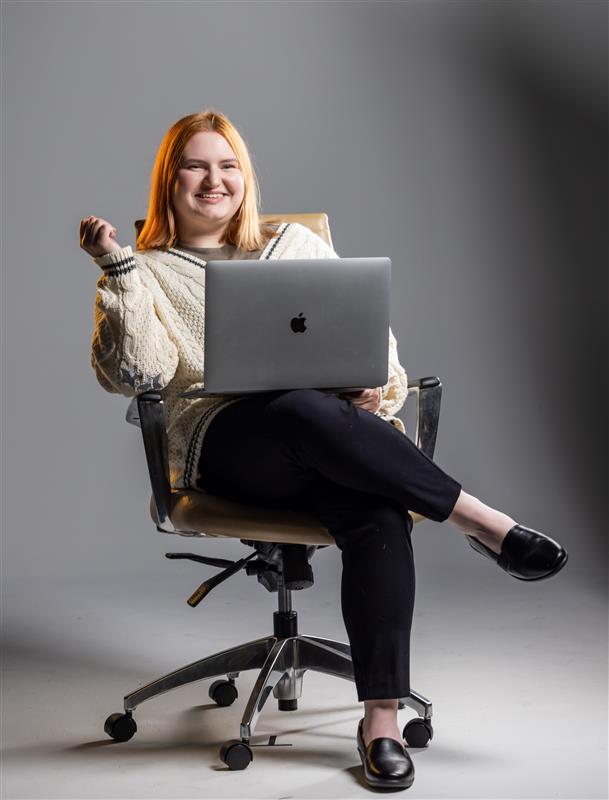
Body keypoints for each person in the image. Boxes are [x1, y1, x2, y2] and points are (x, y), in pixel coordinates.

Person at [80, 108, 568, 790]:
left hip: (332, 440)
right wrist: (118, 270)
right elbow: (137, 375)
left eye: (228, 166)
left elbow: (378, 350)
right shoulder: (145, 269)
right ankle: (482, 522)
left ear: (245, 179)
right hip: (223, 447)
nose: (213, 180)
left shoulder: (295, 248)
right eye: (196, 165)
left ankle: (380, 722)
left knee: (375, 509)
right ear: (171, 179)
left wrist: (374, 389)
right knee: (302, 409)